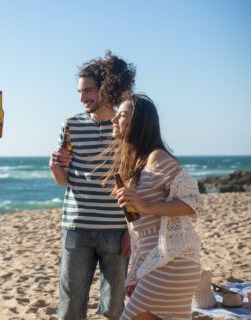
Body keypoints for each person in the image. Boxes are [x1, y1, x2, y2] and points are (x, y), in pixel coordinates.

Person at [50, 52, 136, 320]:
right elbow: (64, 180)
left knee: (113, 308)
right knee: (70, 307)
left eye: (88, 90)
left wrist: (131, 230)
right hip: (77, 228)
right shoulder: (71, 125)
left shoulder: (125, 127)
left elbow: (135, 180)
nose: (82, 97)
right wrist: (55, 167)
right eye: (79, 91)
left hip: (116, 230)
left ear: (105, 89)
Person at [108, 94, 203, 320]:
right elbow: (145, 227)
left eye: (121, 115)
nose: (114, 119)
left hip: (171, 264)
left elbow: (193, 202)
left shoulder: (157, 158)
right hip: (160, 263)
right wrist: (137, 270)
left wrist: (146, 206)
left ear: (139, 123)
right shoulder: (138, 162)